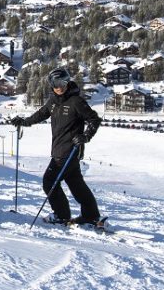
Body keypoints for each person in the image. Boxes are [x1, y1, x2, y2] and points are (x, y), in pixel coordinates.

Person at [11, 67, 103, 225]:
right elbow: (40, 114)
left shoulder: (76, 102)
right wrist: (24, 122)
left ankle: (62, 215)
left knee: (49, 182)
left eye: (61, 82)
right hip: (60, 150)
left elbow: (94, 120)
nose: (59, 87)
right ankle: (91, 215)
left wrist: (85, 136)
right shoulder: (53, 101)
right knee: (76, 184)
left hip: (69, 151)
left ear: (67, 81)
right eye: (54, 83)